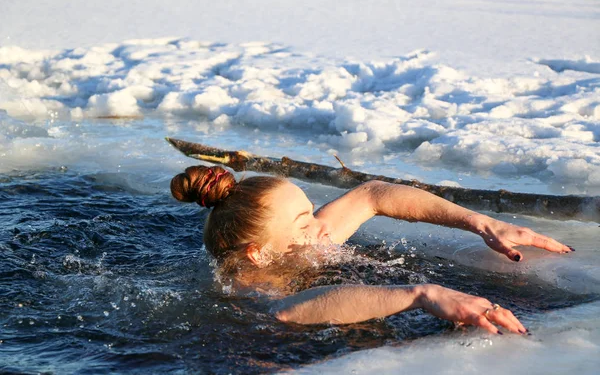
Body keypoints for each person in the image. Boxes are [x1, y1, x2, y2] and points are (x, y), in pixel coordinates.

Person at [170, 165, 573, 335]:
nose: (321, 227)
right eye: (304, 223)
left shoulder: (310, 238)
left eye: (311, 211)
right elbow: (286, 311)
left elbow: (372, 194)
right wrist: (423, 294)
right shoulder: (245, 290)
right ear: (257, 254)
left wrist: (483, 223)